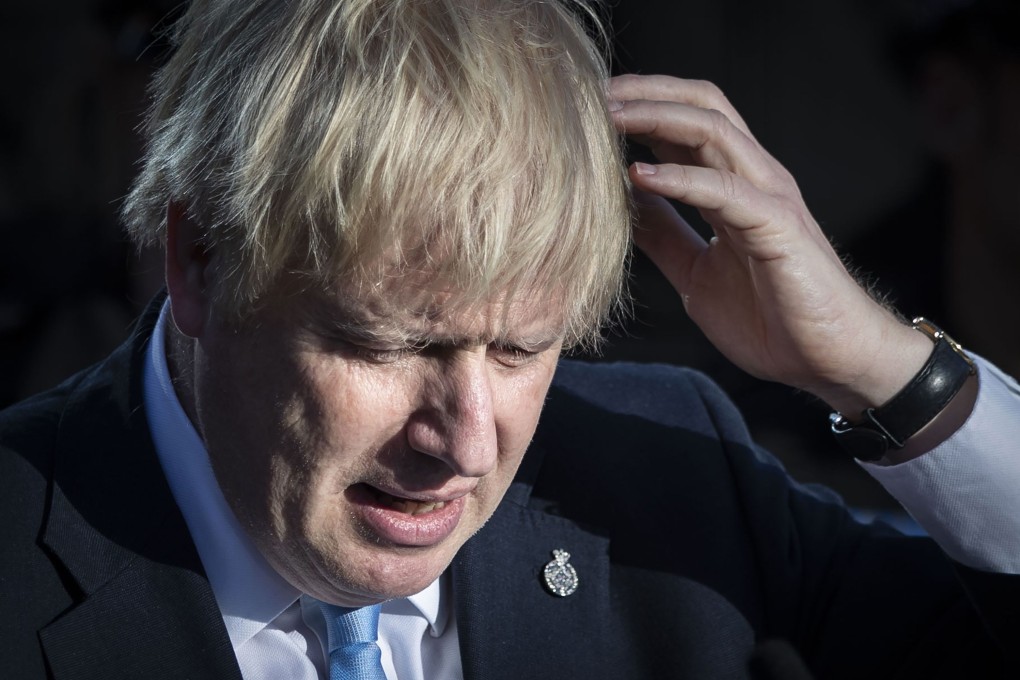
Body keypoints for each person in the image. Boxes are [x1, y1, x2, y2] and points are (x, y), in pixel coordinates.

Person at [1, 0, 1018, 678]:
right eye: (388, 345)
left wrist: (889, 373)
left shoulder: (670, 478)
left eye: (522, 349)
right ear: (199, 261)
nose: (468, 442)